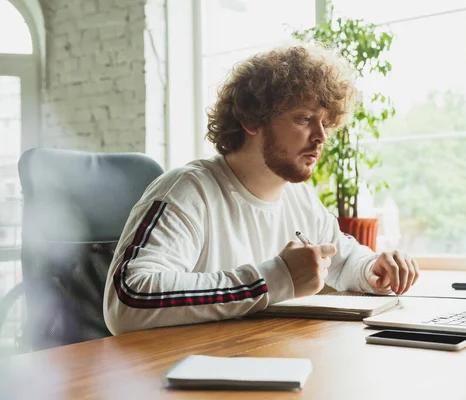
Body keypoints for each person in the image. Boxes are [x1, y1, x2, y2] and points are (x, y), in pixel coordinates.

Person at [103, 44, 419, 335]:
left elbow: (344, 259)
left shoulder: (299, 198)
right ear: (252, 120)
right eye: (304, 118)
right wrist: (273, 278)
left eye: (326, 123)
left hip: (255, 361)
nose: (321, 136)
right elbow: (128, 297)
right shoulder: (188, 191)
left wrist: (373, 269)